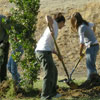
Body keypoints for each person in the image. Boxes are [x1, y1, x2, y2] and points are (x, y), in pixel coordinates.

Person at [35, 13, 65, 100]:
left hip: (46, 51)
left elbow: (51, 47)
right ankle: (45, 96)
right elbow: (47, 16)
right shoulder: (54, 24)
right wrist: (51, 27)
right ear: (62, 21)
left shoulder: (56, 29)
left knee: (54, 71)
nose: (63, 26)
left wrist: (58, 54)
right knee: (48, 73)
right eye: (64, 24)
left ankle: (53, 92)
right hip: (42, 52)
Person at [70, 12, 100, 87]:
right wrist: (93, 33)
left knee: (89, 65)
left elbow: (82, 43)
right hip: (93, 45)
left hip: (92, 46)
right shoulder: (85, 24)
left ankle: (90, 81)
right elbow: (94, 25)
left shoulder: (81, 28)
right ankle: (95, 82)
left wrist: (80, 52)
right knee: (91, 65)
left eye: (73, 22)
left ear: (75, 21)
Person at [0, 15, 10, 83]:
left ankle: (3, 83)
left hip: (3, 42)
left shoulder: (2, 19)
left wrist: (5, 42)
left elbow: (9, 31)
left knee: (3, 63)